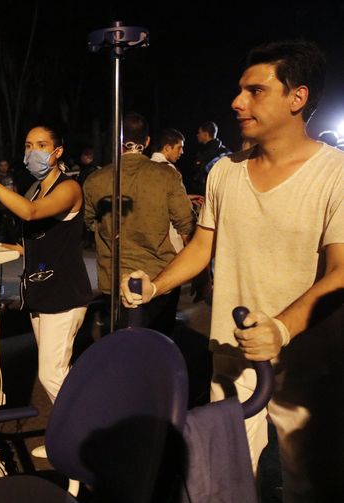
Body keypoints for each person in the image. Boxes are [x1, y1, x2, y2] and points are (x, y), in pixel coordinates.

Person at [121, 40, 344, 502]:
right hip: (231, 355)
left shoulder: (335, 174)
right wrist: (156, 284)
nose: (237, 101)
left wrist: (282, 329)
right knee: (223, 481)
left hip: (308, 363)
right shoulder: (225, 171)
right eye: (239, 90)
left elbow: (341, 272)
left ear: (296, 98)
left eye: (255, 91)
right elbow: (204, 246)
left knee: (310, 485)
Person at [0, 125, 95, 405]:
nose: (33, 152)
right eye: (28, 146)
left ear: (58, 151)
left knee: (51, 375)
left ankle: (86, 438)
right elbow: (33, 244)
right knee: (60, 373)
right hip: (41, 294)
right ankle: (66, 439)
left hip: (64, 293)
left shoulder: (68, 188)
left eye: (41, 145)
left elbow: (31, 214)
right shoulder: (34, 190)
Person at [85, 113, 194, 336]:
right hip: (160, 279)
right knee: (158, 344)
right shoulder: (166, 176)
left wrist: (108, 230)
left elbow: (88, 222)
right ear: (146, 142)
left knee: (122, 346)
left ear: (116, 142)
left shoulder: (96, 180)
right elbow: (186, 225)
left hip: (114, 280)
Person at [192, 121, 231, 195]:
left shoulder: (223, 153)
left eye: (199, 132)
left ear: (206, 134)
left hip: (212, 194)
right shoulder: (203, 150)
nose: (197, 135)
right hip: (203, 193)